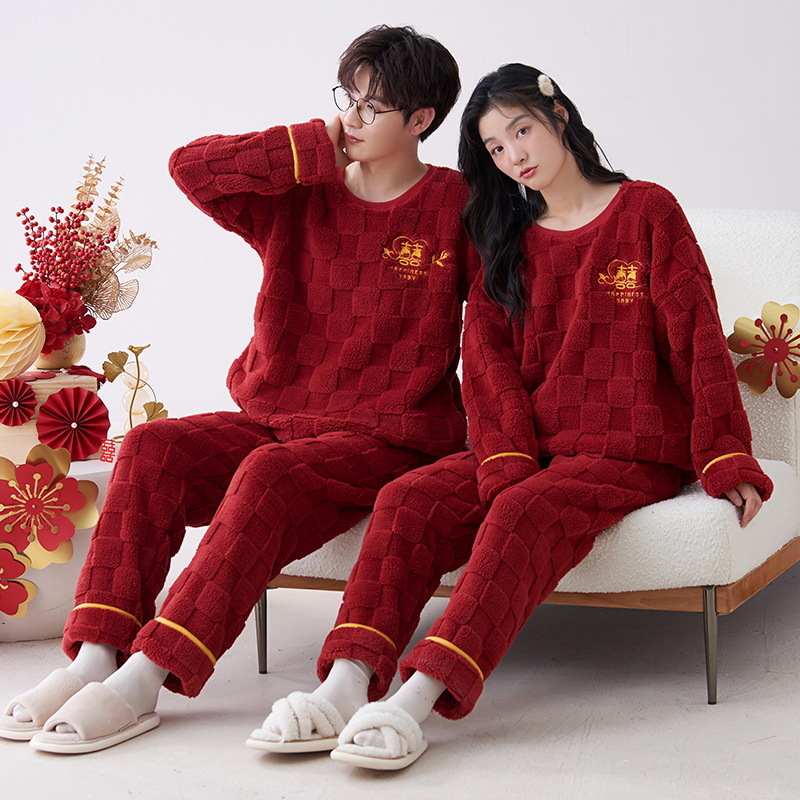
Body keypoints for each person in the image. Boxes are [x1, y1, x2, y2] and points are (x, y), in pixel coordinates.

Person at [253, 63, 773, 771]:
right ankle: (345, 683)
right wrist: (504, 460)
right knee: (408, 499)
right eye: (496, 148)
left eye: (521, 131)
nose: (513, 155)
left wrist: (724, 453)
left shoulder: (648, 211)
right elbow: (487, 361)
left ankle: (415, 700)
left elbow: (696, 336)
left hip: (627, 448)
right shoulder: (510, 237)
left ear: (558, 115)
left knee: (526, 510)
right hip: (530, 444)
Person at [0, 25, 474, 754]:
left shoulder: (458, 206)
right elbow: (191, 168)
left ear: (421, 120)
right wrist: (311, 145)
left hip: (387, 437)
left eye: (373, 107)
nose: (350, 117)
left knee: (270, 474)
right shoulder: (301, 190)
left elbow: (511, 318)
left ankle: (148, 677)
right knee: (152, 447)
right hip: (277, 415)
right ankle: (96, 655)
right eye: (346, 97)